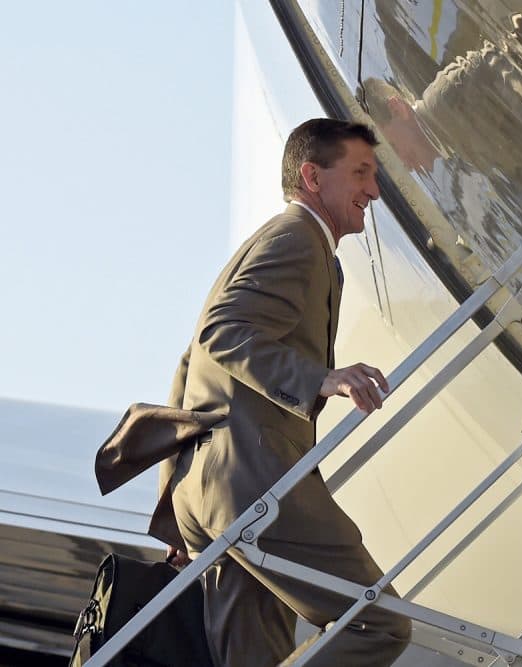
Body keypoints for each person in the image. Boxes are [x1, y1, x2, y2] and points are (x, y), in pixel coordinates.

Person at [151, 118, 411, 666]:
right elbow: (222, 332)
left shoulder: (279, 244)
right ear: (313, 177)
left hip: (211, 491)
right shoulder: (297, 239)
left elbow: (189, 360)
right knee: (378, 622)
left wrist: (175, 498)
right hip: (253, 483)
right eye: (361, 172)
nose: (374, 190)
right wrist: (320, 379)